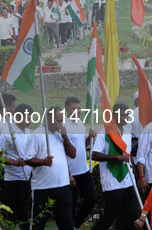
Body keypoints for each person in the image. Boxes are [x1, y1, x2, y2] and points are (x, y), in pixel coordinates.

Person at [24, 107, 76, 230]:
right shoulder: (36, 134)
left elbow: (72, 154)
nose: (60, 124)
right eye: (58, 121)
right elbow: (27, 159)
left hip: (63, 187)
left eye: (62, 121)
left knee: (67, 224)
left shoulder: (60, 135)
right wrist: (43, 161)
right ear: (49, 118)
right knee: (38, 224)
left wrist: (65, 137)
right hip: (43, 188)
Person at [92, 103, 139, 229]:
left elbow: (128, 155)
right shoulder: (104, 133)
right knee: (110, 215)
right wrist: (116, 157)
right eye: (122, 115)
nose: (125, 117)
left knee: (131, 213)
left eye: (127, 115)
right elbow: (95, 155)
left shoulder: (128, 133)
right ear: (114, 116)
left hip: (128, 180)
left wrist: (135, 175)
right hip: (112, 182)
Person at [0, 104, 33, 229]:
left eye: (31, 117)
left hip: (28, 178)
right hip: (13, 180)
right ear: (18, 117)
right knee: (17, 213)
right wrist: (13, 162)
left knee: (26, 210)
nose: (30, 120)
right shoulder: (8, 133)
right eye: (27, 117)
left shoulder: (30, 133)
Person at [63, 97, 97, 228]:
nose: (77, 111)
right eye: (74, 108)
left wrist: (90, 138)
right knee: (71, 204)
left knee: (92, 198)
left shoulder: (80, 122)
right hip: (70, 173)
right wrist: (68, 174)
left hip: (84, 170)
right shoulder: (64, 125)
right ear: (66, 109)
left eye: (79, 108)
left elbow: (81, 145)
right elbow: (62, 152)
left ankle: (76, 225)